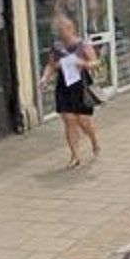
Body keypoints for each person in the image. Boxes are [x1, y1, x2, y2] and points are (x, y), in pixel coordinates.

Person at [39, 15, 101, 169]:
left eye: (64, 30)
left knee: (83, 120)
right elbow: (51, 65)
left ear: (71, 29)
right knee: (69, 119)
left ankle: (94, 140)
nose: (61, 33)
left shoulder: (82, 44)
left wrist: (83, 63)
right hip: (64, 85)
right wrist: (45, 78)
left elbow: (96, 63)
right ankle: (75, 155)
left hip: (81, 84)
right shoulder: (57, 46)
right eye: (59, 30)